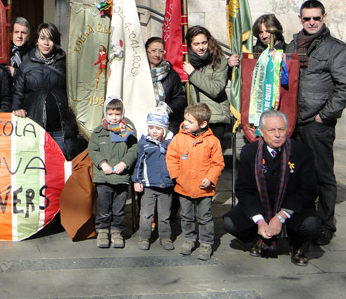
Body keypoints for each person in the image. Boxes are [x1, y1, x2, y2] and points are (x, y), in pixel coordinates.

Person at [223, 110, 320, 266]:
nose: (277, 135)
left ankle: (299, 247)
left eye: (281, 129)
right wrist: (260, 221)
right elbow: (243, 189)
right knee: (230, 222)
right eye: (271, 130)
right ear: (261, 132)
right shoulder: (250, 152)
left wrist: (280, 216)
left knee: (311, 223)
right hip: (261, 205)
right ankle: (258, 239)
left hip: (290, 207)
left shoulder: (302, 151)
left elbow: (308, 190)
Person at [285, 0, 346, 245]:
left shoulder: (335, 49)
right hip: (294, 121)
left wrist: (326, 115)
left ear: (324, 18)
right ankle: (301, 220)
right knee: (297, 174)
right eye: (307, 18)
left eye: (316, 18)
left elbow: (343, 87)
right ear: (300, 19)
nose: (311, 22)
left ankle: (325, 225)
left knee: (323, 175)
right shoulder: (292, 46)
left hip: (317, 122)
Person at [166, 103, 224, 261]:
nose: (185, 123)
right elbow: (171, 158)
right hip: (183, 186)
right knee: (186, 215)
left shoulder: (212, 141)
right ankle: (189, 239)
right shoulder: (178, 139)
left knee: (204, 216)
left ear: (203, 124)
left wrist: (210, 178)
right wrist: (176, 177)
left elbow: (217, 163)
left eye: (190, 121)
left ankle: (206, 243)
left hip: (204, 188)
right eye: (185, 119)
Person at [12, 23, 79, 159]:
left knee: (61, 167)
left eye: (50, 39)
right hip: (35, 128)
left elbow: (76, 90)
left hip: (61, 130)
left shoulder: (65, 63)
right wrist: (17, 107)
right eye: (42, 38)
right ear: (37, 40)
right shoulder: (26, 64)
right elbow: (18, 91)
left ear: (55, 42)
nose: (46, 43)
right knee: (37, 166)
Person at [88, 97, 138, 249]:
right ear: (106, 114)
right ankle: (102, 231)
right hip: (104, 177)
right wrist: (102, 163)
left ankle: (117, 231)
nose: (114, 117)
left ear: (122, 114)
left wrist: (124, 163)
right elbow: (93, 150)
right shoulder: (99, 132)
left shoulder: (128, 132)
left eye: (117, 114)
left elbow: (134, 150)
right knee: (103, 207)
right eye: (110, 114)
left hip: (121, 177)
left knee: (119, 208)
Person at [133, 103, 175, 251]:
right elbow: (139, 163)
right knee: (145, 214)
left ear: (165, 128)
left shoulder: (171, 143)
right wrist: (137, 180)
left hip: (166, 185)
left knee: (164, 215)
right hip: (148, 185)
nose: (154, 131)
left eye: (158, 128)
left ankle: (165, 237)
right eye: (151, 127)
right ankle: (144, 237)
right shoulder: (144, 142)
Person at [183, 26, 232, 147]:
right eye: (196, 44)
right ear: (189, 45)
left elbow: (216, 89)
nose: (201, 47)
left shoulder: (218, 60)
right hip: (193, 119)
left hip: (214, 118)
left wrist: (193, 73)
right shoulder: (185, 62)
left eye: (204, 43)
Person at [146, 37, 186, 133]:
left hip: (167, 123)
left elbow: (180, 99)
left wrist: (166, 108)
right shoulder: (138, 74)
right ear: (146, 51)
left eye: (161, 51)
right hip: (143, 120)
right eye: (153, 51)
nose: (157, 55)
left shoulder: (172, 75)